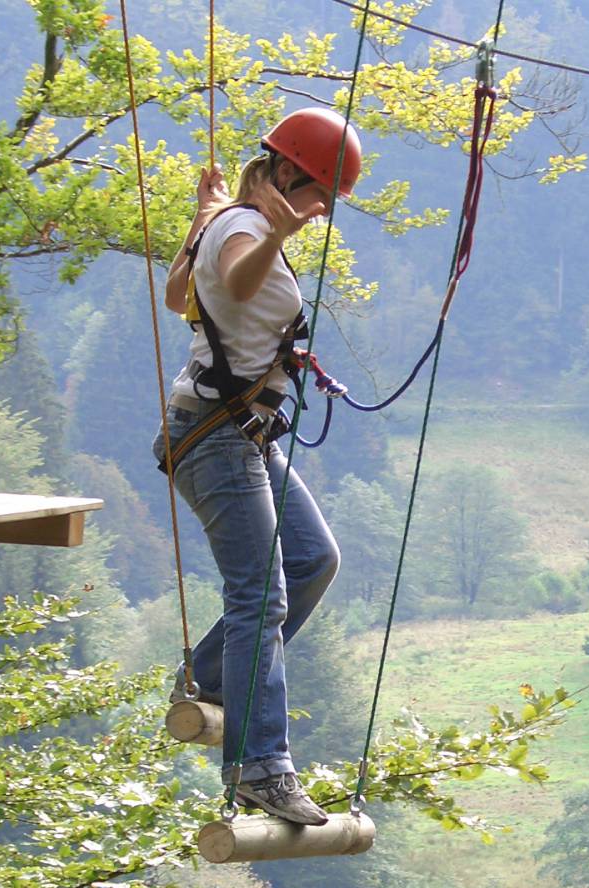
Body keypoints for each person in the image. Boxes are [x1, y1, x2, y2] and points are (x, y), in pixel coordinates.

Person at [152, 109, 362, 826]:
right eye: (320, 191)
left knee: (312, 560)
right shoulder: (248, 229)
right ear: (286, 174)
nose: (323, 208)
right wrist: (271, 232)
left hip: (239, 432)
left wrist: (203, 220)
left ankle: (209, 676)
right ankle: (259, 768)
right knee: (260, 595)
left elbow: (181, 298)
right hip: (216, 439)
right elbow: (237, 287)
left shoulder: (226, 217)